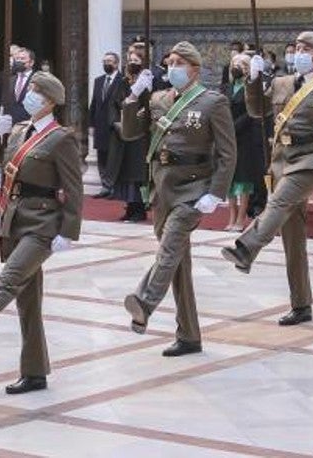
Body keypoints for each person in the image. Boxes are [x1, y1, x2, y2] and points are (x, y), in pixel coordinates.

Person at [0, 72, 81, 394]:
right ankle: (34, 372)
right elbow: (5, 171)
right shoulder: (21, 130)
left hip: (43, 225)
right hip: (15, 221)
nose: (29, 95)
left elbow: (74, 190)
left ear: (49, 100)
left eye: (35, 91)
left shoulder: (61, 138)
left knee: (9, 279)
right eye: (30, 89)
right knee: (28, 304)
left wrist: (69, 231)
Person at [221, 32, 313, 326]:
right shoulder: (281, 84)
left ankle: (246, 248)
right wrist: (254, 79)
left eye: (306, 49)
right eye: (297, 49)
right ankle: (301, 304)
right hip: (283, 160)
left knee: (279, 201)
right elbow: (257, 110)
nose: (299, 53)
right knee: (293, 238)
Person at [120, 41, 236, 357]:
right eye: (169, 63)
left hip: (194, 189)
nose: (172, 69)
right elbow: (130, 132)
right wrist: (133, 96)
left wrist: (216, 192)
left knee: (170, 246)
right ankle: (189, 335)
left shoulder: (213, 102)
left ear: (195, 69)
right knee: (178, 264)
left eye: (179, 63)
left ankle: (145, 301)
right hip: (163, 188)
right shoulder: (158, 99)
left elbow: (228, 153)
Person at [107, 47, 147, 223]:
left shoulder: (147, 82)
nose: (132, 64)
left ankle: (139, 208)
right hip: (123, 134)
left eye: (136, 61)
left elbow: (149, 104)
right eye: (130, 61)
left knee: (137, 173)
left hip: (140, 135)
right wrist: (117, 124)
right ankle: (129, 207)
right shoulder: (122, 82)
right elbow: (113, 104)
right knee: (125, 172)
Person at [226, 53, 264, 231]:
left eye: (242, 63)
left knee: (243, 180)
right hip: (226, 138)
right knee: (229, 180)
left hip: (244, 137)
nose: (237, 66)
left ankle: (241, 218)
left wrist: (233, 128)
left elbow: (251, 112)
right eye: (235, 63)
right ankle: (231, 215)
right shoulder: (226, 87)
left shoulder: (252, 87)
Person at [90, 52, 121, 199]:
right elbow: (94, 104)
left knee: (112, 157)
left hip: (114, 126)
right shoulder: (98, 81)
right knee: (101, 156)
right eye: (104, 61)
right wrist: (91, 124)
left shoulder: (122, 80)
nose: (106, 64)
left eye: (109, 61)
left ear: (116, 63)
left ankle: (113, 186)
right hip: (100, 124)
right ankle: (104, 186)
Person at [1, 47, 37, 122]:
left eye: (22, 59)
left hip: (30, 123)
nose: (19, 61)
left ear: (31, 62)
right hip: (12, 125)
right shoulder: (10, 80)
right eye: (17, 59)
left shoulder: (37, 79)